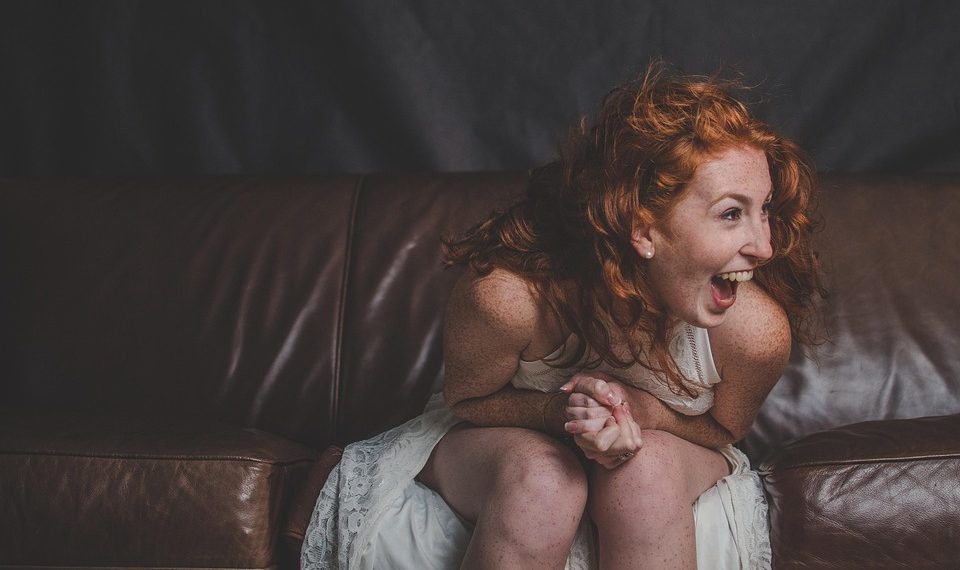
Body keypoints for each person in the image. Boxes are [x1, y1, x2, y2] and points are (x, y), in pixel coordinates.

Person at [302, 62, 823, 570]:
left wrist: (639, 413)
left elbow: (721, 428)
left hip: (672, 455)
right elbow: (468, 399)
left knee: (644, 478)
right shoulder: (506, 299)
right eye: (732, 214)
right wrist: (566, 415)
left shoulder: (755, 333)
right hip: (497, 447)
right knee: (545, 480)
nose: (765, 245)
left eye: (766, 210)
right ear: (643, 231)